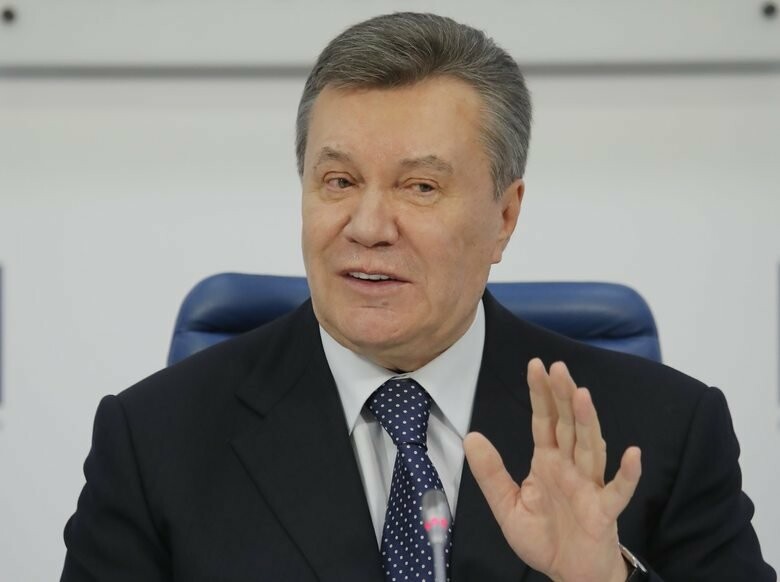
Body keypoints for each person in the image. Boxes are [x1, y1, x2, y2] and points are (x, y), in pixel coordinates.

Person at [61, 12, 775, 582]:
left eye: (420, 187)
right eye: (339, 182)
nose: (368, 226)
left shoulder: (663, 433)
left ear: (505, 216)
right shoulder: (154, 441)